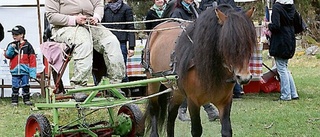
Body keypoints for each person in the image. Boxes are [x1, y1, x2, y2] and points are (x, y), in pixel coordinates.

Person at [45, 0, 126, 102]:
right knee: (84, 42)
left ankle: (115, 84)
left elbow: (98, 4)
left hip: (90, 24)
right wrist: (74, 19)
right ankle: (79, 87)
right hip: (64, 27)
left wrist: (96, 16)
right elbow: (51, 16)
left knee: (112, 41)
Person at [171, 0, 219, 122]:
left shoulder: (195, 9)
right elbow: (176, 30)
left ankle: (208, 107)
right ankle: (185, 109)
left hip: (196, 46)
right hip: (183, 48)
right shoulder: (177, 11)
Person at [267, 0, 299, 101]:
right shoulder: (291, 7)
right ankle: (293, 93)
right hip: (290, 37)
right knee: (284, 67)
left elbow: (276, 26)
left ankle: (286, 95)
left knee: (281, 68)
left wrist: (268, 25)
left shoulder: (277, 7)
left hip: (280, 40)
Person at [102, 0, 136, 95]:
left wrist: (132, 46)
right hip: (107, 43)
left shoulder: (126, 9)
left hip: (121, 43)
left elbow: (130, 27)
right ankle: (108, 92)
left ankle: (125, 92)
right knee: (107, 68)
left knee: (121, 69)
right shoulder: (104, 9)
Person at [4, 25, 36, 106]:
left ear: (22, 35)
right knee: (15, 86)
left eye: (16, 35)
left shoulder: (28, 46)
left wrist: (32, 73)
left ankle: (26, 100)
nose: (14, 36)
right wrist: (11, 48)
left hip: (25, 71)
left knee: (26, 85)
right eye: (13, 35)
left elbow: (32, 60)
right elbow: (8, 55)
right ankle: (14, 101)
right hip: (15, 71)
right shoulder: (11, 45)